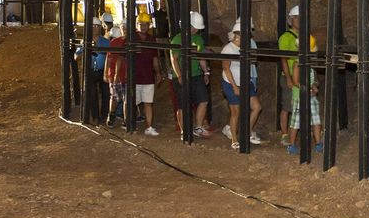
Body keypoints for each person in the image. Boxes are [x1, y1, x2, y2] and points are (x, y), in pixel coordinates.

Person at [110, 12, 163, 136]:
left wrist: (158, 72)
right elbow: (121, 58)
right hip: (133, 77)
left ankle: (149, 127)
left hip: (148, 76)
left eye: (145, 24)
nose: (143, 26)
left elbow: (154, 58)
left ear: (149, 25)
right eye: (141, 24)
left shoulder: (151, 39)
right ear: (136, 24)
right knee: (129, 102)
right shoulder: (131, 38)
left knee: (148, 103)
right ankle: (128, 124)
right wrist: (117, 75)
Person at [221, 18, 263, 149]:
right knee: (236, 112)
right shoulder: (228, 49)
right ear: (237, 35)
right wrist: (234, 86)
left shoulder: (246, 47)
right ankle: (234, 138)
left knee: (257, 107)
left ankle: (246, 131)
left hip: (245, 81)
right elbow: (226, 68)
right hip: (231, 82)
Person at [170, 10, 211, 139]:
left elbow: (201, 57)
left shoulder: (198, 39)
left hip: (196, 75)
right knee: (183, 105)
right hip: (182, 76)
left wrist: (206, 72)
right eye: (194, 27)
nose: (195, 30)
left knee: (203, 100)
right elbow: (174, 59)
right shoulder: (178, 39)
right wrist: (180, 75)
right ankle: (184, 131)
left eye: (197, 28)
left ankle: (198, 127)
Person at [285, 31, 324, 156]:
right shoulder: (298, 63)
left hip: (310, 96)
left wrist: (314, 86)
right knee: (296, 122)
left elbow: (315, 79)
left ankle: (318, 143)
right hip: (300, 96)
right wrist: (308, 88)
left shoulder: (311, 63)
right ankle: (291, 145)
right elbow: (296, 81)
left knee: (316, 120)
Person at [278, 6, 300, 144]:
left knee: (299, 106)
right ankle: (284, 134)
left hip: (301, 76)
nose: (299, 20)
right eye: (296, 17)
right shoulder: (285, 37)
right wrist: (288, 78)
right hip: (290, 76)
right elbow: (283, 58)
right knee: (287, 106)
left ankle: (294, 131)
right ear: (291, 20)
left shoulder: (304, 36)